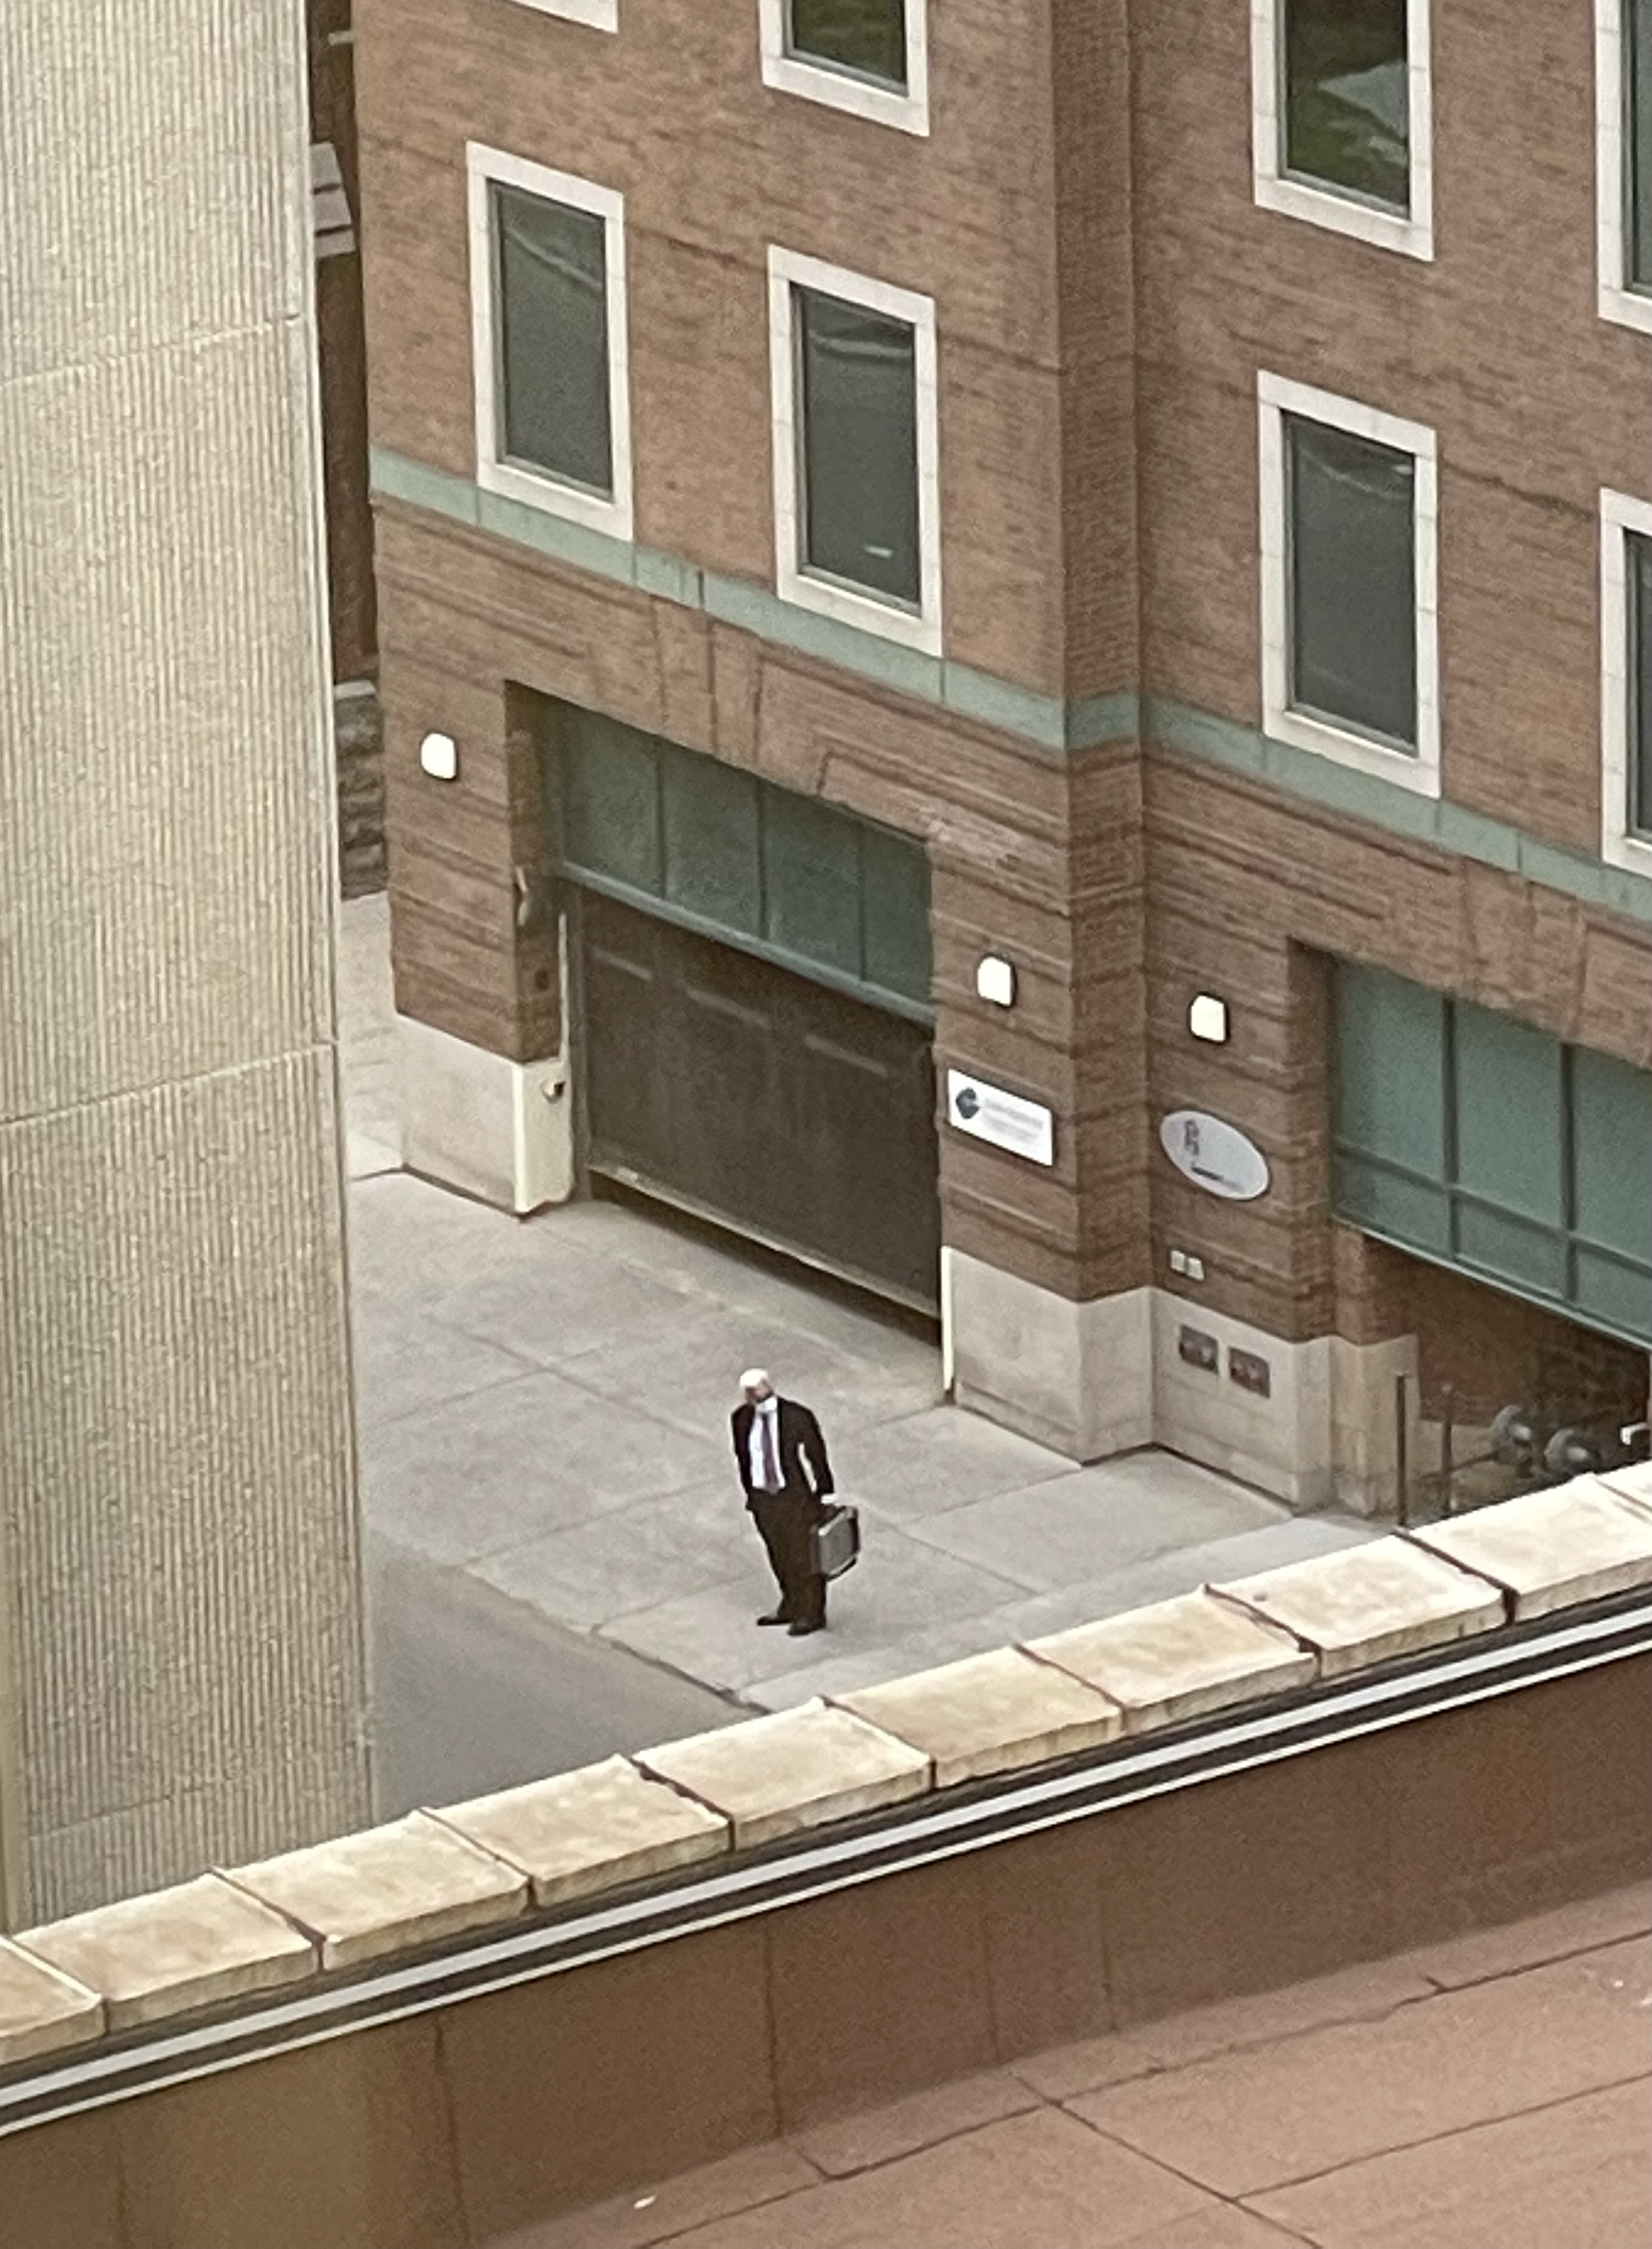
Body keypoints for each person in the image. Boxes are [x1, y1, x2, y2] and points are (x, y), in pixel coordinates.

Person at [730, 1369, 834, 1636]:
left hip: (795, 1498)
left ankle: (813, 1612)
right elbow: (744, 1458)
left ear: (768, 1386)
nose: (755, 1395)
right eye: (750, 1391)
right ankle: (791, 1603)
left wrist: (822, 1492)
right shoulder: (741, 1419)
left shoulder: (797, 1416)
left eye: (758, 1388)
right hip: (764, 1499)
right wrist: (752, 1495)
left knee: (805, 1555)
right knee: (779, 1552)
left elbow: (815, 1454)